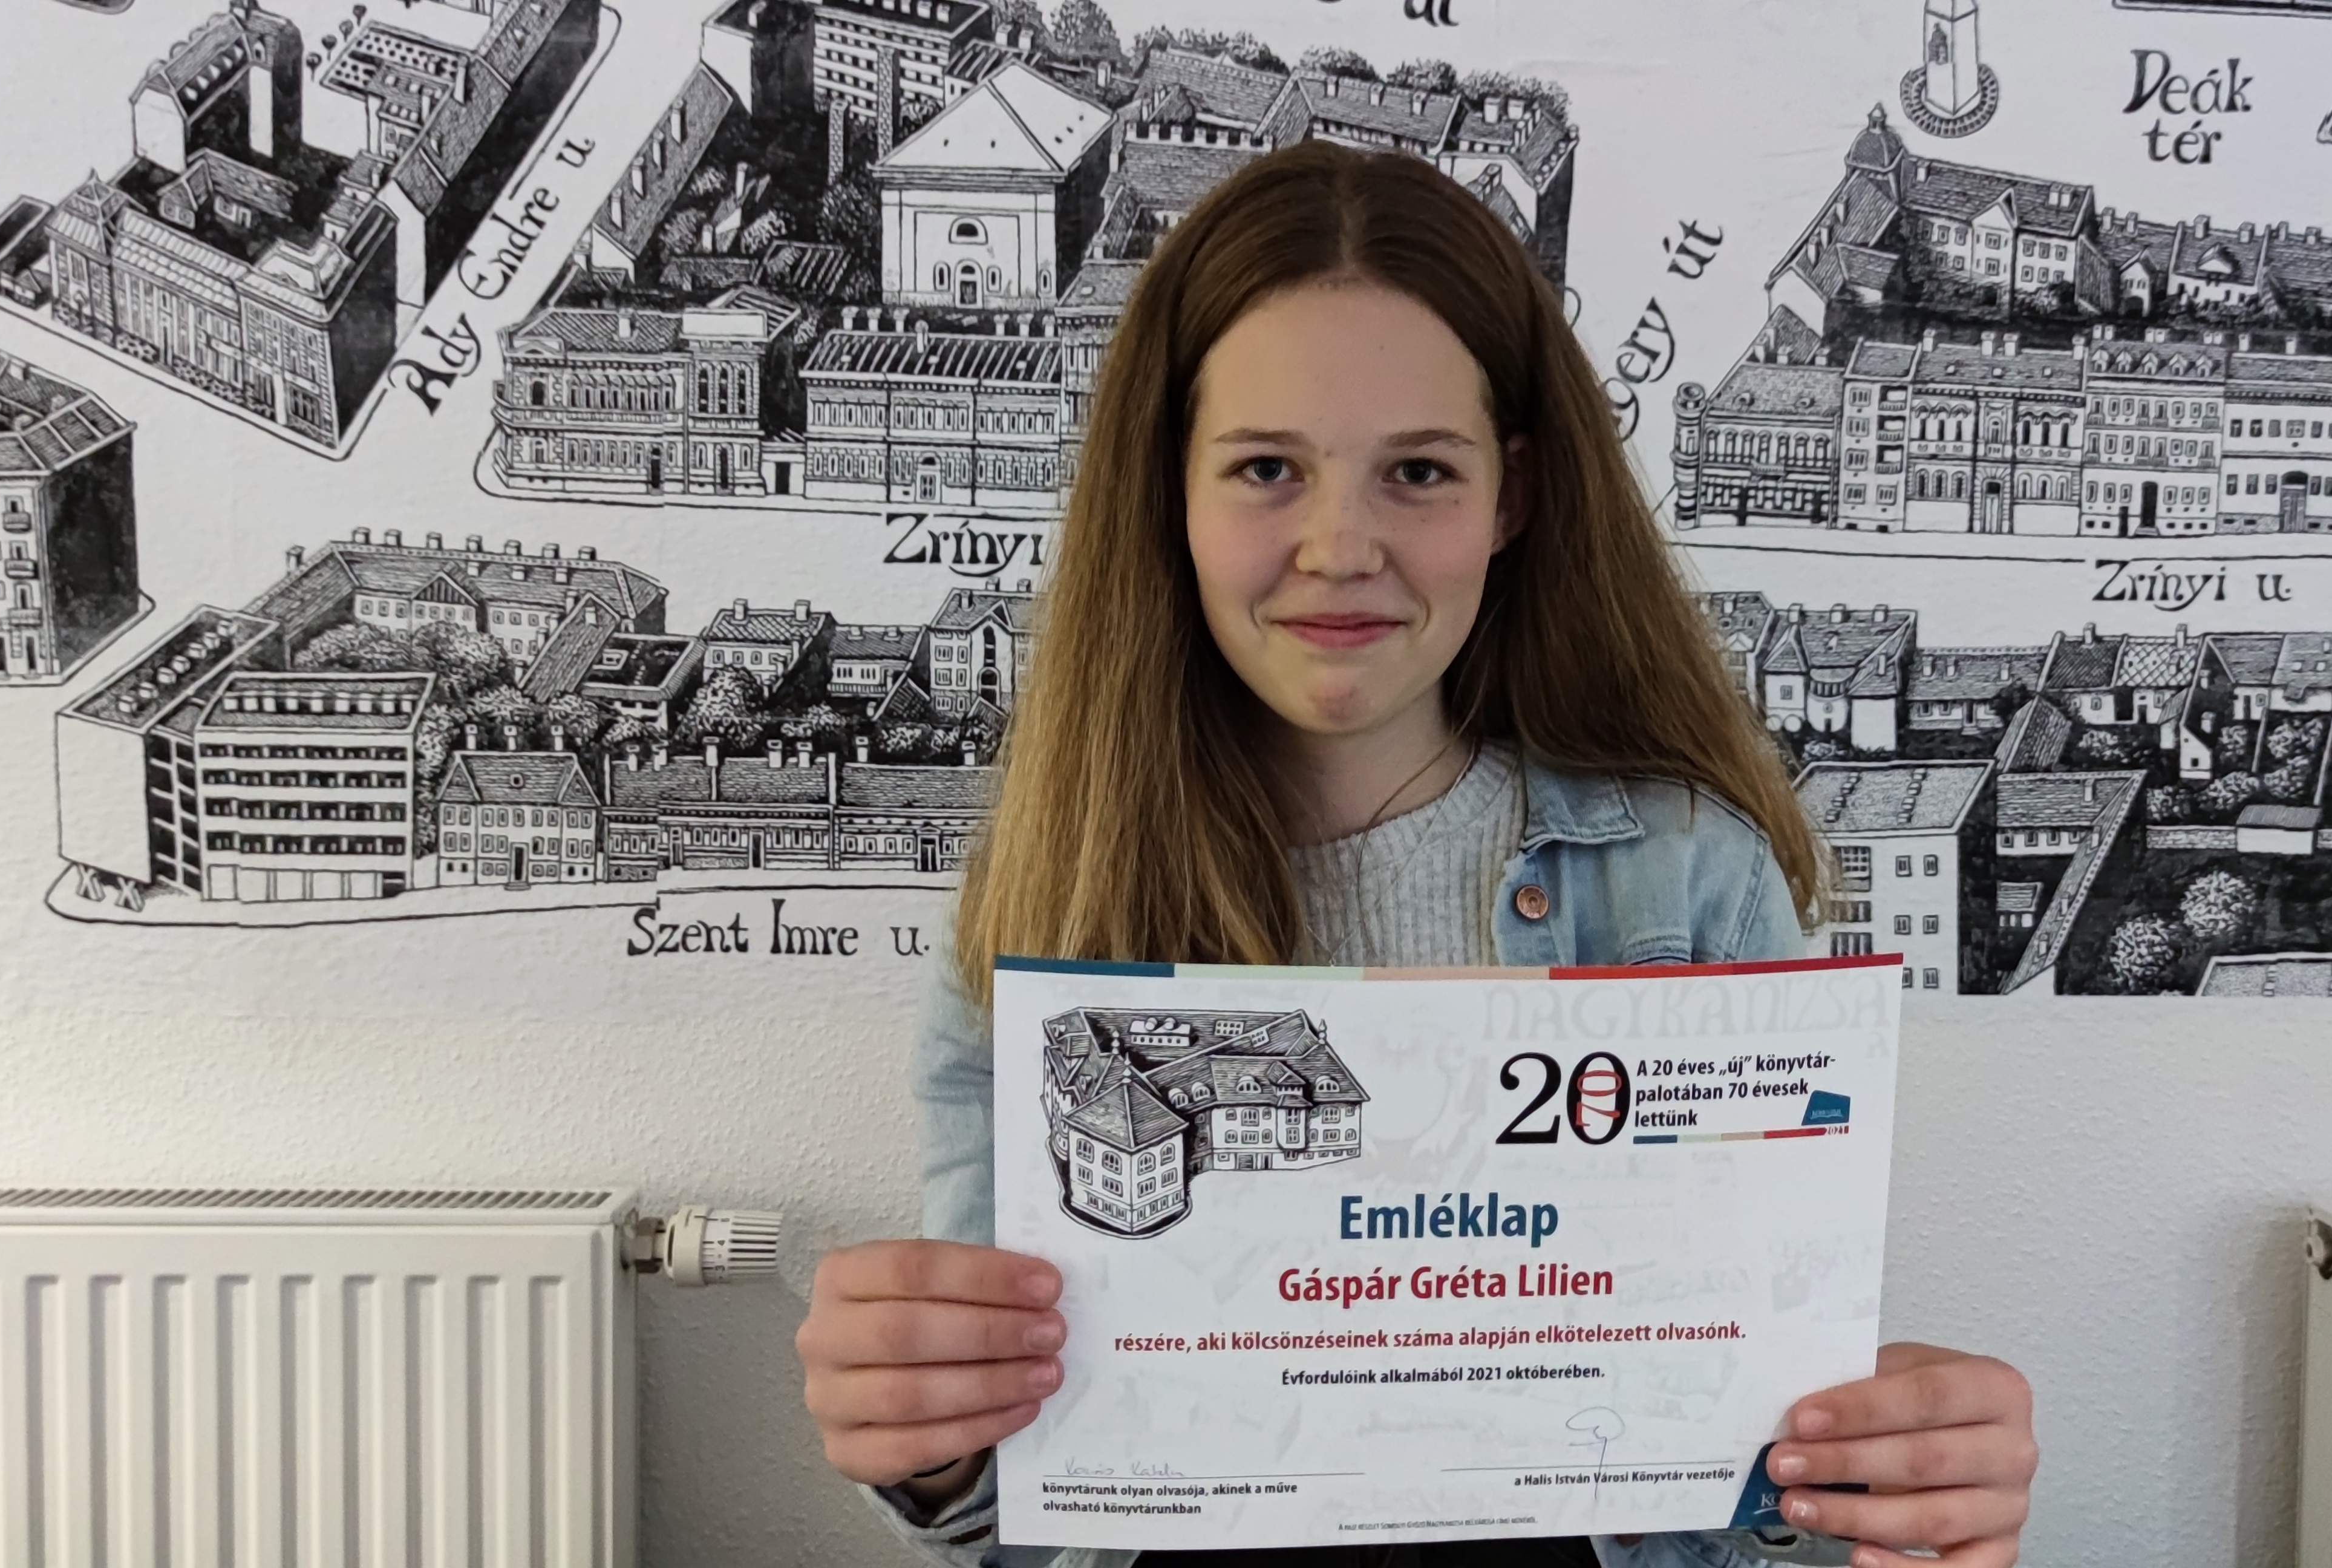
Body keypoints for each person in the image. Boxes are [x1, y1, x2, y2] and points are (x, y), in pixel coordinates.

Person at [797, 140, 2037, 1568]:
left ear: (1512, 497)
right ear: (1168, 492)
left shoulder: (1693, 880)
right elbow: (1015, 1519)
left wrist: (1889, 1484)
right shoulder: (1044, 905)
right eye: (1267, 468)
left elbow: (1760, 1480)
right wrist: (937, 1445)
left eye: (1419, 472)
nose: (1341, 546)